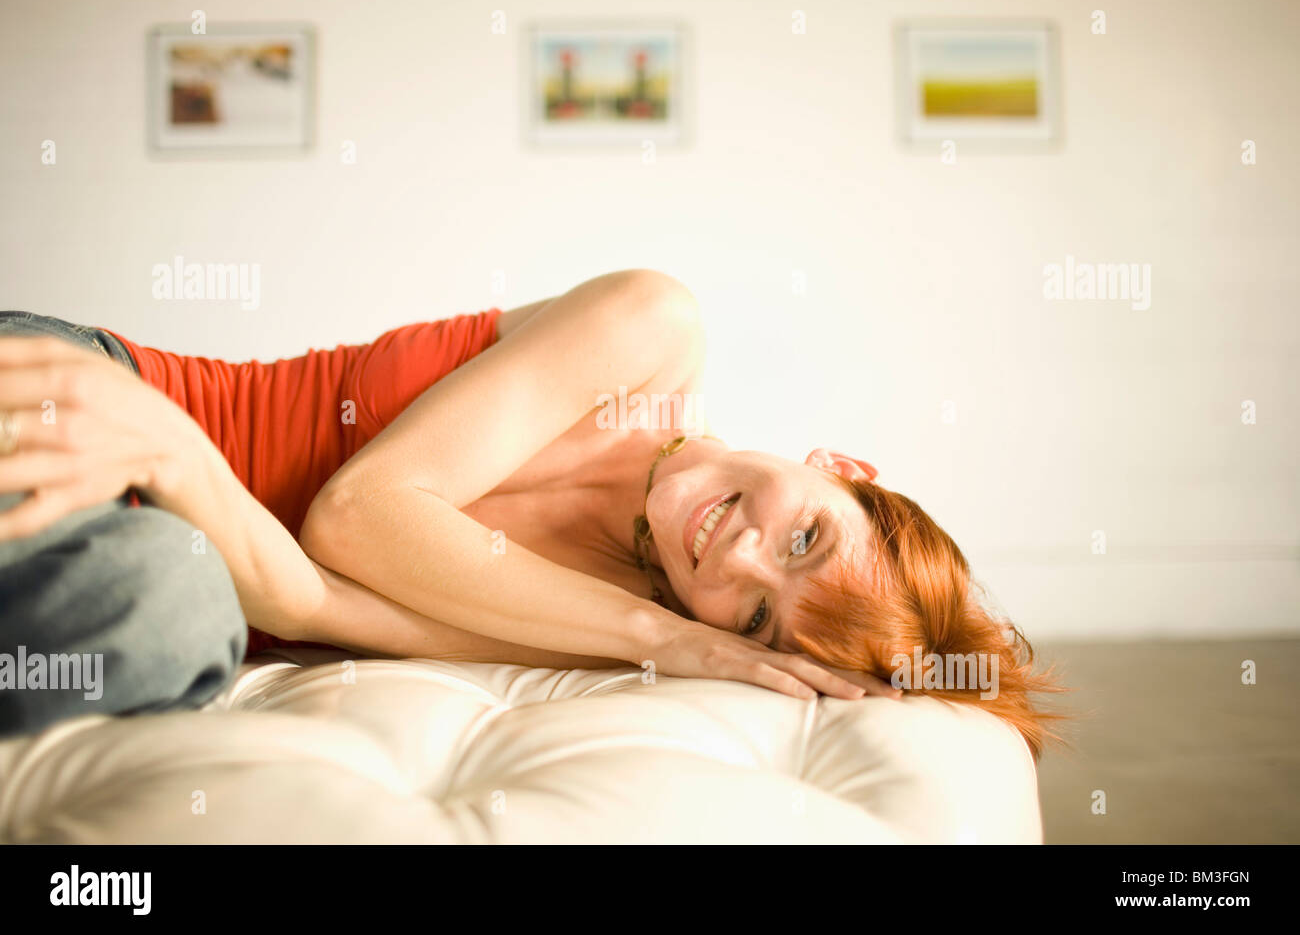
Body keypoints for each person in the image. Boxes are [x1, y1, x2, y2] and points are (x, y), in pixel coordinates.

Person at [0, 270, 1060, 754]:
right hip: (100, 399)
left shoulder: (593, 623)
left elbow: (307, 598)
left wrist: (181, 466)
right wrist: (669, 635)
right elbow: (355, 518)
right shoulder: (649, 331)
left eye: (753, 619)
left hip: (158, 538)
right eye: (805, 535)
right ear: (840, 463)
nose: (738, 559)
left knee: (160, 606)